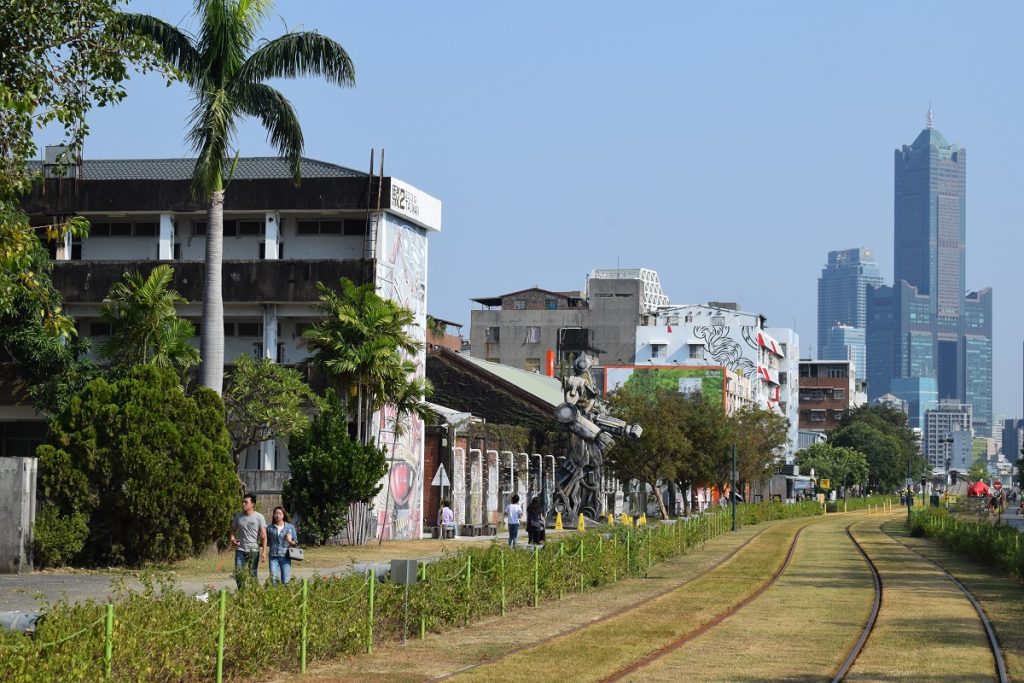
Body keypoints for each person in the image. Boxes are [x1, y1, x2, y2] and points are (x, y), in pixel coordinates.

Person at [230, 494, 267, 588]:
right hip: (240, 550)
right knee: (238, 574)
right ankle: (243, 595)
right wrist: (233, 538)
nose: (243, 504)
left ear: (252, 504)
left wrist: (264, 552)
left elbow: (264, 535)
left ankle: (254, 595)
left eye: (246, 502)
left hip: (253, 550)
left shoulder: (259, 517)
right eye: (243, 502)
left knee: (252, 575)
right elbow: (233, 530)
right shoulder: (238, 516)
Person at [266, 506, 298, 585]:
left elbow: (296, 542)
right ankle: (275, 596)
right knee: (273, 580)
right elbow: (266, 541)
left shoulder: (290, 527)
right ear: (273, 515)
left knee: (286, 581)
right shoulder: (269, 528)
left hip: (285, 556)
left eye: (280, 513)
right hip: (273, 556)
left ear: (283, 515)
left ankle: (287, 596)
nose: (277, 515)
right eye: (276, 513)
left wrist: (290, 541)